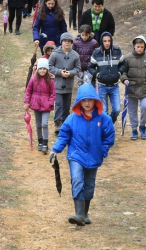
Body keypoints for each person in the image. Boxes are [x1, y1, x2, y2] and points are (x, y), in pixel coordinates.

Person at [50, 83, 115, 226]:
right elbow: (63, 136)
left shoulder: (104, 119)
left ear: (95, 101)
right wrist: (55, 149)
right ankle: (79, 214)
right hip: (76, 155)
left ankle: (85, 214)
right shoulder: (72, 119)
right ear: (79, 101)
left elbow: (109, 137)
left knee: (89, 185)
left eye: (90, 100)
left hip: (94, 156)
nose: (87, 103)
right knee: (77, 180)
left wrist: (102, 151)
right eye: (84, 100)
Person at [120, 35, 146, 140]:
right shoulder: (127, 58)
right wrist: (124, 79)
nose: (140, 49)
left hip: (144, 87)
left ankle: (142, 126)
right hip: (131, 87)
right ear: (134, 46)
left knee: (145, 106)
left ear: (145, 46)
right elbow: (122, 71)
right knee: (132, 109)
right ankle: (134, 129)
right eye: (138, 47)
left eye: (142, 47)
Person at [88, 31, 124, 125]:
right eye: (105, 41)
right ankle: (106, 129)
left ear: (111, 41)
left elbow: (123, 64)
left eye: (109, 41)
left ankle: (109, 123)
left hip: (114, 85)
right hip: (102, 86)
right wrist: (97, 74)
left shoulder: (117, 51)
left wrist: (119, 73)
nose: (107, 43)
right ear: (101, 42)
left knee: (116, 110)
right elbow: (90, 67)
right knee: (104, 111)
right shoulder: (97, 52)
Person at [49, 32, 80, 135]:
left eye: (69, 41)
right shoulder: (55, 53)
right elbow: (50, 66)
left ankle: (66, 124)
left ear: (71, 43)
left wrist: (70, 73)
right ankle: (57, 124)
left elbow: (78, 68)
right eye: (65, 41)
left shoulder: (75, 55)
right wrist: (59, 72)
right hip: (57, 84)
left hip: (69, 85)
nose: (67, 43)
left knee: (67, 105)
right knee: (58, 104)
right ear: (61, 42)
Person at [24, 58, 56, 153]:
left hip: (46, 105)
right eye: (40, 69)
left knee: (44, 124)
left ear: (47, 69)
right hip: (36, 104)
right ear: (37, 69)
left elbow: (53, 93)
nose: (42, 71)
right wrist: (27, 102)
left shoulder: (50, 80)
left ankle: (45, 142)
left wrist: (50, 102)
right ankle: (40, 141)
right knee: (38, 124)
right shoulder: (33, 79)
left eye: (44, 69)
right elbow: (28, 91)